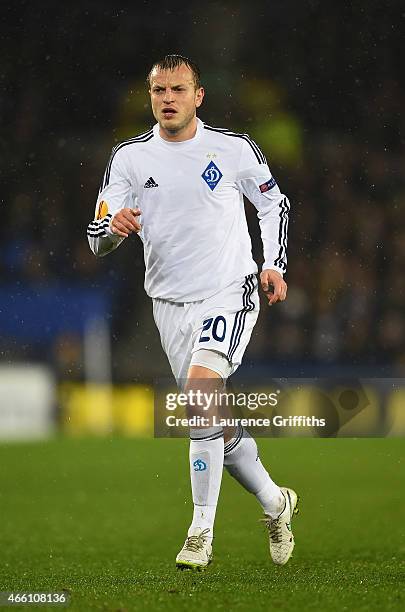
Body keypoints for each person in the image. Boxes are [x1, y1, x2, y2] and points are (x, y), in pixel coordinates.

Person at [87, 54, 298, 570]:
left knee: (201, 394)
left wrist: (273, 263)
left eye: (179, 90)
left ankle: (201, 529)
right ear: (150, 97)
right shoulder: (130, 159)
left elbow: (274, 204)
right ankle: (275, 501)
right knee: (213, 418)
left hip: (230, 288)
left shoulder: (232, 149)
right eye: (159, 91)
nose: (168, 99)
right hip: (167, 302)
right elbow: (96, 236)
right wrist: (114, 228)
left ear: (198, 96)